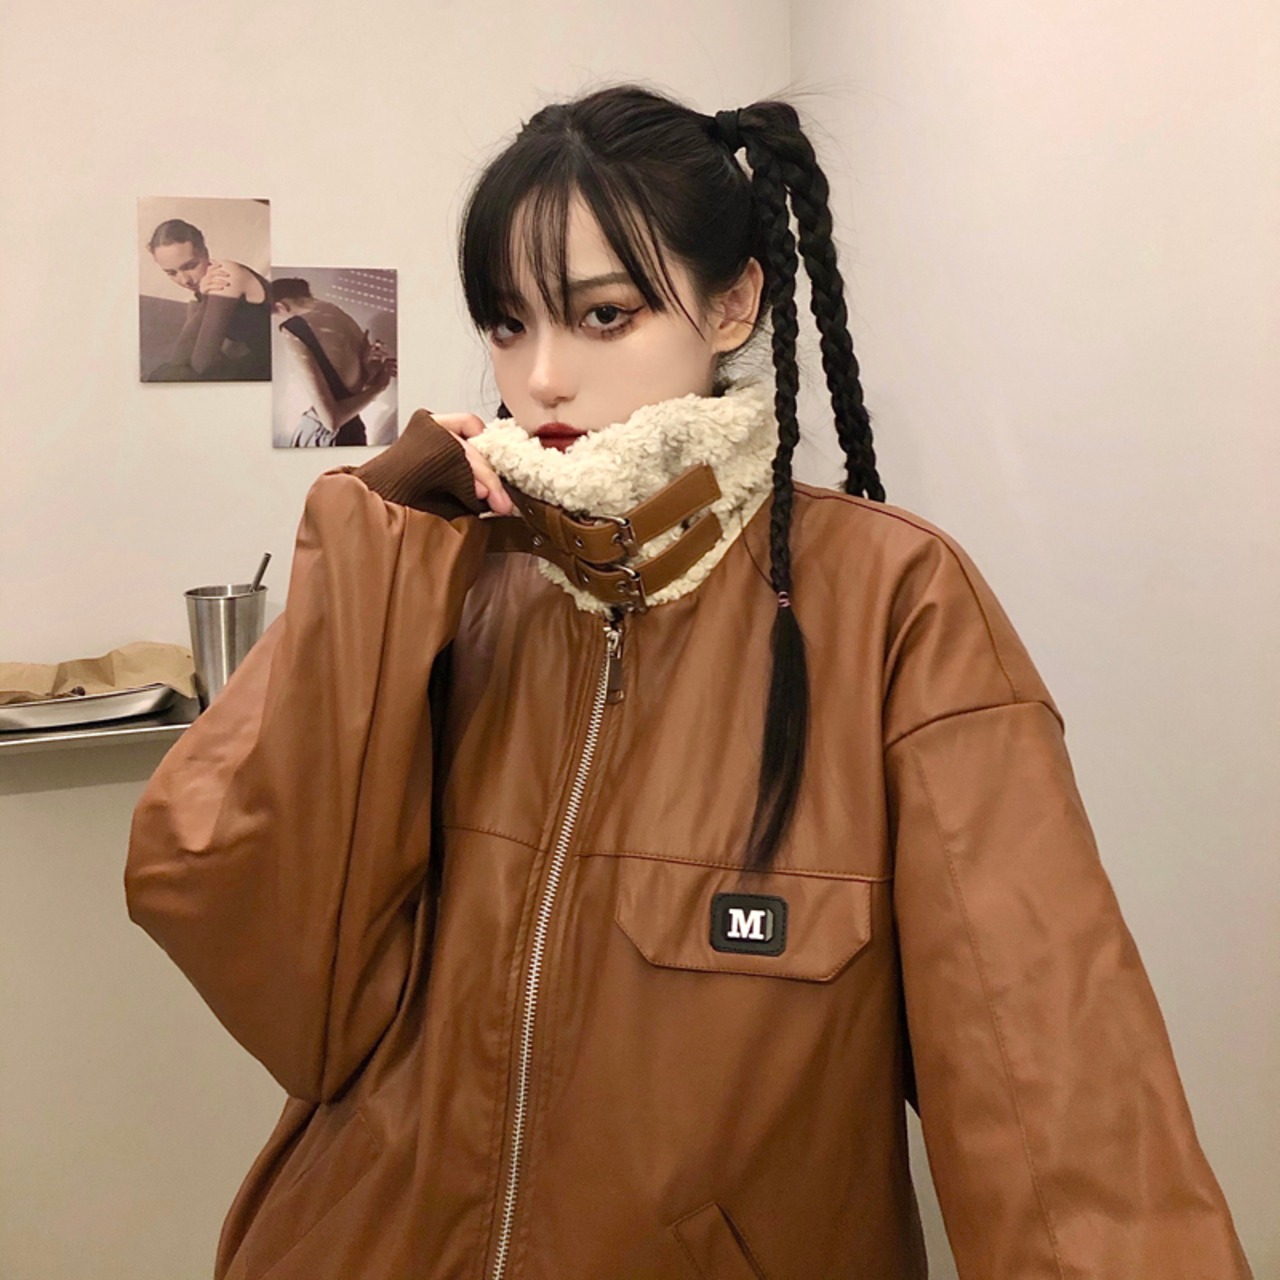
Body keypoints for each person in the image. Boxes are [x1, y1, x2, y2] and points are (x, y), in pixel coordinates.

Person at [124, 86, 1252, 1279]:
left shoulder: (894, 606)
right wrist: (377, 550)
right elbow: (251, 936)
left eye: (602, 315)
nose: (540, 378)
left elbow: (1055, 1112)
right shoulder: (441, 575)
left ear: (731, 303)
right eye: (506, 323)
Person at [270, 277, 396, 447]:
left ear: (281, 306)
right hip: (354, 431)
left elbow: (331, 421)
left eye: (276, 316)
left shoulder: (294, 328)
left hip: (326, 437)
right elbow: (356, 383)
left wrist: (379, 387)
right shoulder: (337, 313)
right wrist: (373, 374)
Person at [144, 218, 272, 381]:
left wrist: (203, 300)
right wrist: (202, 299)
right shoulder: (204, 285)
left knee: (171, 376)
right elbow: (180, 357)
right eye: (171, 273)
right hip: (256, 363)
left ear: (205, 252)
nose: (185, 280)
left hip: (273, 367)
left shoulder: (225, 275)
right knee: (168, 373)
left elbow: (203, 364)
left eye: (190, 266)